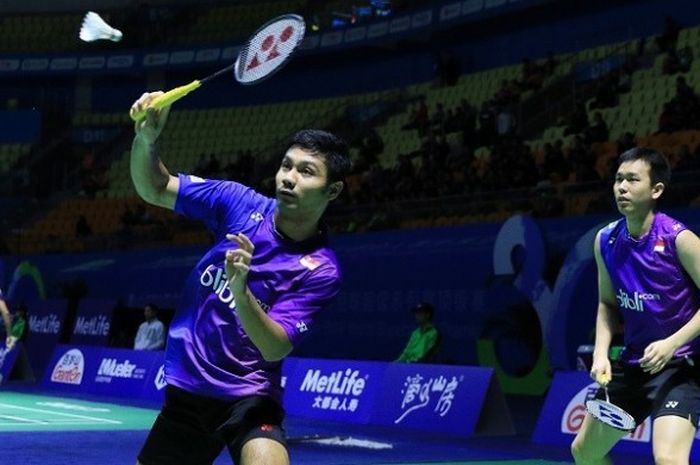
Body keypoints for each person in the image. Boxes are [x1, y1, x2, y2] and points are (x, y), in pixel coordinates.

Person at [129, 93, 351, 465]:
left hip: (248, 398)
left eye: (306, 171)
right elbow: (154, 187)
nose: (289, 178)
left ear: (333, 190)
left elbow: (275, 347)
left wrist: (239, 288)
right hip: (188, 392)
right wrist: (146, 139)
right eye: (286, 165)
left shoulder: (321, 269)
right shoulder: (237, 203)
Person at [571, 147, 700, 465]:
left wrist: (672, 344)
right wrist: (601, 353)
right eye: (618, 179)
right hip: (634, 364)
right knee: (584, 452)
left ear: (656, 189)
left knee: (669, 459)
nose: (622, 187)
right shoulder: (606, 240)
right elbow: (607, 303)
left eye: (632, 179)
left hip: (682, 367)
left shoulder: (678, 240)